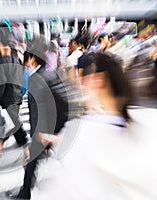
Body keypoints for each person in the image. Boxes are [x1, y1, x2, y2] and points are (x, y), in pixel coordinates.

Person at [35, 52, 157, 199]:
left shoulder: (81, 131)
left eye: (82, 78)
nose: (79, 83)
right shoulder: (143, 120)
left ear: (98, 80)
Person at [8, 38, 69, 199]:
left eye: (27, 59)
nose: (25, 64)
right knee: (35, 163)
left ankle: (25, 193)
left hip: (43, 131)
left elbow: (38, 108)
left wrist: (38, 133)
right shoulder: (51, 73)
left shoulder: (36, 79)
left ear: (33, 59)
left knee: (32, 162)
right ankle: (27, 189)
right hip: (55, 127)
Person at [0, 28, 28, 154]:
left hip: (8, 97)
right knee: (13, 122)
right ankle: (1, 146)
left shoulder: (2, 59)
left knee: (15, 124)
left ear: (0, 43)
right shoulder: (16, 56)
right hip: (17, 95)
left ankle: (26, 149)